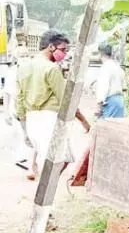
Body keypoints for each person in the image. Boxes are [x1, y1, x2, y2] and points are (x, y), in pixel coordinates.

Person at [15, 30, 89, 181]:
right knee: (61, 159)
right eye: (63, 50)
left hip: (31, 118)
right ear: (51, 47)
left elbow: (19, 99)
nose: (65, 54)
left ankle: (43, 185)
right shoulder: (51, 68)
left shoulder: (24, 67)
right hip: (49, 119)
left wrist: (24, 123)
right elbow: (66, 100)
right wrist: (83, 121)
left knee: (52, 158)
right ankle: (44, 188)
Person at [95, 43, 125, 118]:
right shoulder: (117, 67)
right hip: (120, 100)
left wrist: (99, 106)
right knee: (117, 123)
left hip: (110, 101)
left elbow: (103, 87)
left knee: (106, 123)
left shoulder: (105, 68)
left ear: (100, 54)